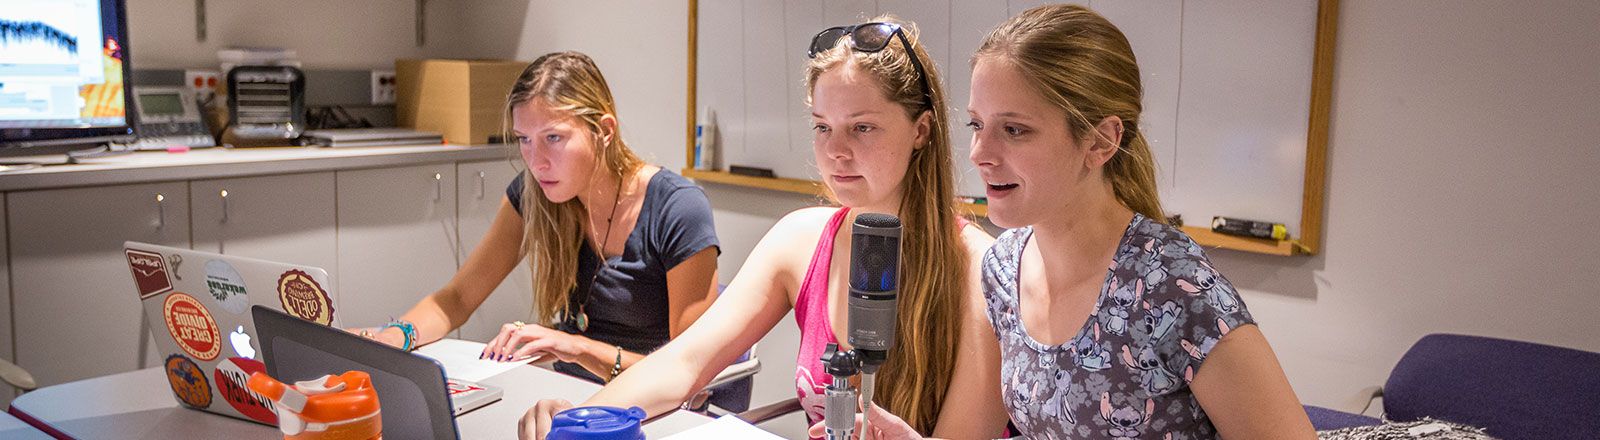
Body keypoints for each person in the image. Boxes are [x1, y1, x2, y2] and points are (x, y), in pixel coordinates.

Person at [519, 17, 1010, 440]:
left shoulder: (980, 270)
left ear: (920, 130)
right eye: (822, 127)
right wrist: (592, 415)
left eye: (862, 127)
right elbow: (687, 363)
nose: (835, 151)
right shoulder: (800, 239)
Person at [856, 4, 1319, 439]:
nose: (980, 154)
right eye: (977, 125)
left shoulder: (1173, 288)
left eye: (1014, 130)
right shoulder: (1002, 270)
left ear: (1100, 141)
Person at [355, 51, 746, 410]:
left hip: (655, 410)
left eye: (553, 138)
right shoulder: (535, 196)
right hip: (572, 397)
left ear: (604, 130)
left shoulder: (677, 207)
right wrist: (396, 335)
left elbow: (689, 375)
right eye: (525, 140)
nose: (536, 161)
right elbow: (457, 297)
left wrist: (574, 347)